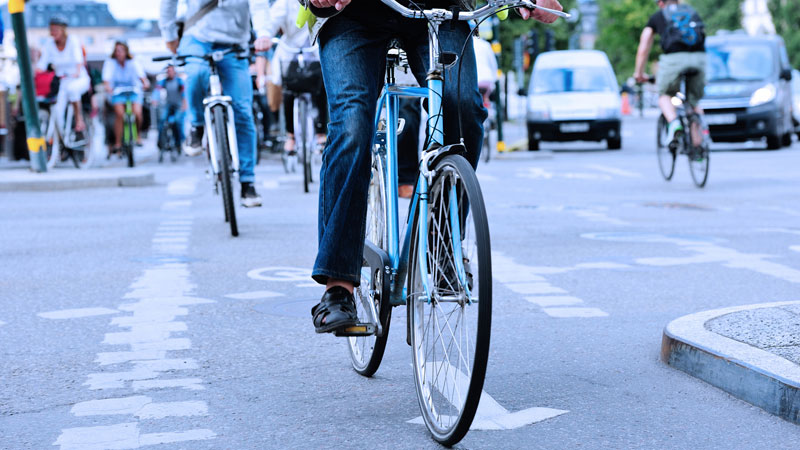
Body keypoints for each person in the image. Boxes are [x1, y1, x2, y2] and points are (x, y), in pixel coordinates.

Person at [292, 0, 563, 334]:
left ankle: (441, 246)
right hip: (352, 13)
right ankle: (338, 286)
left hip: (439, 8)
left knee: (463, 110)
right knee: (351, 125)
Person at [159, 0, 271, 208]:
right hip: (198, 37)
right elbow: (168, 3)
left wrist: (263, 32)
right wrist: (170, 35)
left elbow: (259, 5)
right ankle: (197, 125)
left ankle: (248, 182)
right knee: (196, 73)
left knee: (242, 112)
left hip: (235, 41)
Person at [258, 0, 328, 155]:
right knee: (287, 89)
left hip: (315, 50)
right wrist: (265, 36)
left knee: (322, 88)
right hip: (290, 52)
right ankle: (291, 136)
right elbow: (271, 21)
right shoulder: (286, 3)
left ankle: (320, 134)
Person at [634, 0, 706, 147]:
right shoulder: (692, 11)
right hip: (700, 58)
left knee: (664, 95)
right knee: (694, 102)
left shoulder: (658, 16)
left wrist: (639, 73)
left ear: (661, 2)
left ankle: (674, 124)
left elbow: (644, 45)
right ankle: (699, 145)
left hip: (674, 59)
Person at [37, 15, 90, 140]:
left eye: (55, 29)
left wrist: (76, 72)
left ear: (62, 30)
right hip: (61, 81)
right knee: (57, 110)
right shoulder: (49, 44)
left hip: (78, 78)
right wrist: (36, 73)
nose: (53, 32)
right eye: (51, 29)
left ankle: (79, 119)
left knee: (73, 90)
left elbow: (79, 60)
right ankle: (60, 140)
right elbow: (42, 63)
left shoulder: (72, 40)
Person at [103, 41, 149, 152]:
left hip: (134, 90)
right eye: (117, 51)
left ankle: (137, 136)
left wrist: (145, 83)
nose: (118, 53)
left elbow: (141, 76)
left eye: (121, 50)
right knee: (120, 114)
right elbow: (106, 79)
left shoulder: (133, 62)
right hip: (118, 92)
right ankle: (118, 142)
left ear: (126, 51)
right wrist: (108, 87)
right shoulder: (110, 63)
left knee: (137, 113)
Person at [156, 64, 187, 151]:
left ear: (174, 72)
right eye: (168, 71)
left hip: (179, 105)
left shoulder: (179, 81)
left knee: (177, 121)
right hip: (169, 104)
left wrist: (184, 104)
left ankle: (179, 141)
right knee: (162, 120)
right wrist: (155, 99)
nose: (169, 73)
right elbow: (157, 90)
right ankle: (160, 142)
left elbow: (184, 93)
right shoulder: (164, 81)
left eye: (170, 71)